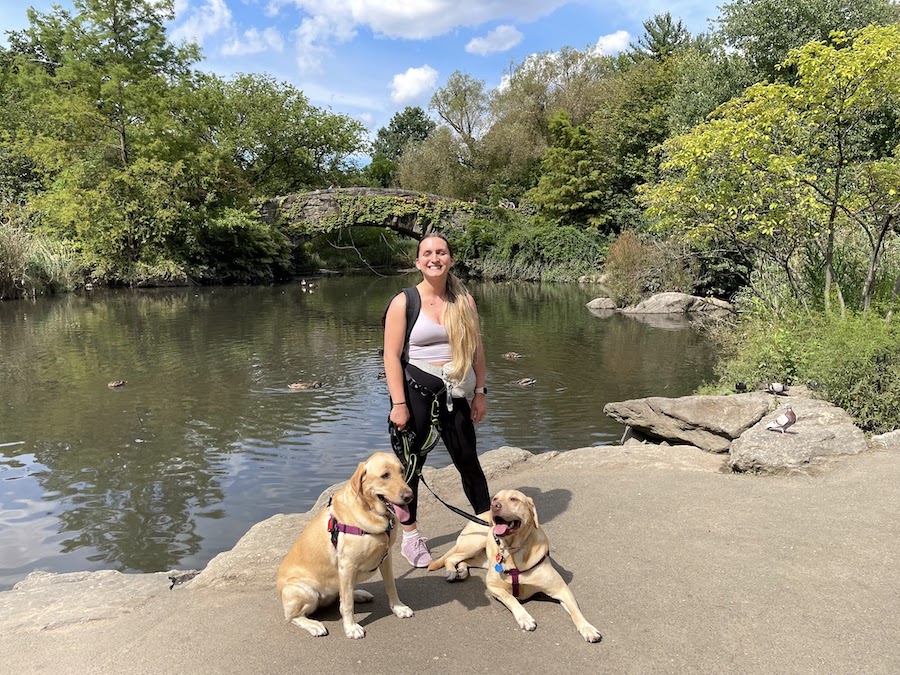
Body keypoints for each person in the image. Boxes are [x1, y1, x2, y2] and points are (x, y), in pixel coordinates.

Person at [383, 232, 491, 567]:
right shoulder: (404, 302)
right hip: (416, 396)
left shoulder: (464, 301)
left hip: (456, 394)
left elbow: (476, 351)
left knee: (469, 462)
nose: (434, 258)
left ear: (451, 259)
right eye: (427, 253)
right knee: (411, 469)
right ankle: (412, 538)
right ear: (418, 262)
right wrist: (398, 404)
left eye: (441, 252)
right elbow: (390, 356)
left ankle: (487, 528)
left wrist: (480, 392)